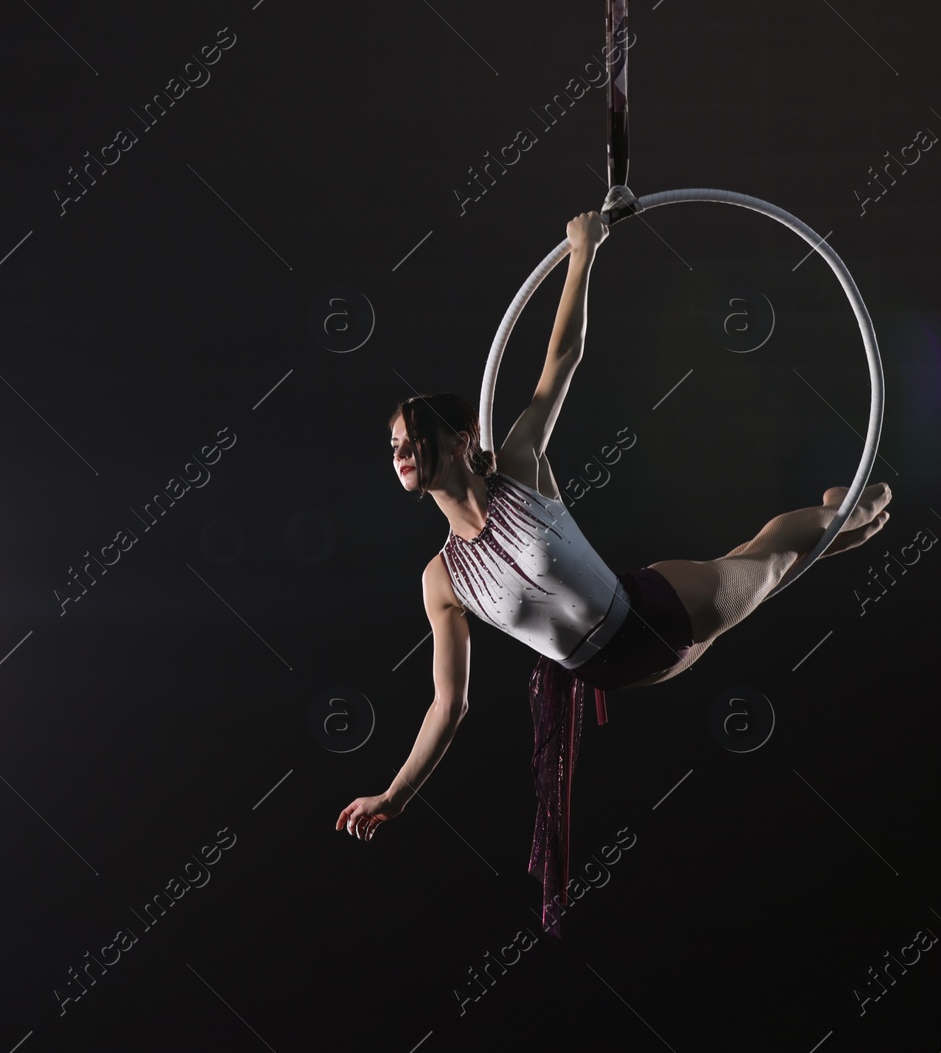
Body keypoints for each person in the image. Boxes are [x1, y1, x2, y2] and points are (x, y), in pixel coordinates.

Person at [334, 210, 892, 936]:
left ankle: (863, 507)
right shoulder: (441, 581)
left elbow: (561, 359)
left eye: (412, 435)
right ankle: (849, 514)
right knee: (770, 563)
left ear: (459, 434)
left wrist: (582, 251)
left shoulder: (521, 465)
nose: (401, 449)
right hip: (612, 666)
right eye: (393, 445)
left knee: (774, 558)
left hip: (657, 612)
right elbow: (449, 705)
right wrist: (395, 794)